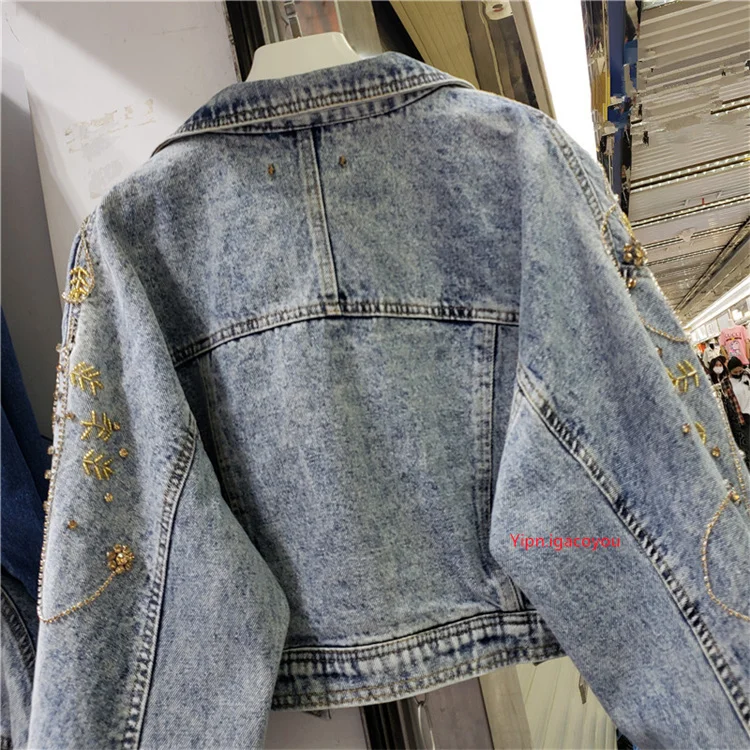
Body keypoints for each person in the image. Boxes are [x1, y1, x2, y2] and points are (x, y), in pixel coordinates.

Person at [709, 355, 750, 468]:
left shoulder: (747, 375)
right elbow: (728, 403)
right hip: (742, 417)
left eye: (740, 370)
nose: (738, 373)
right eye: (735, 372)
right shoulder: (726, 382)